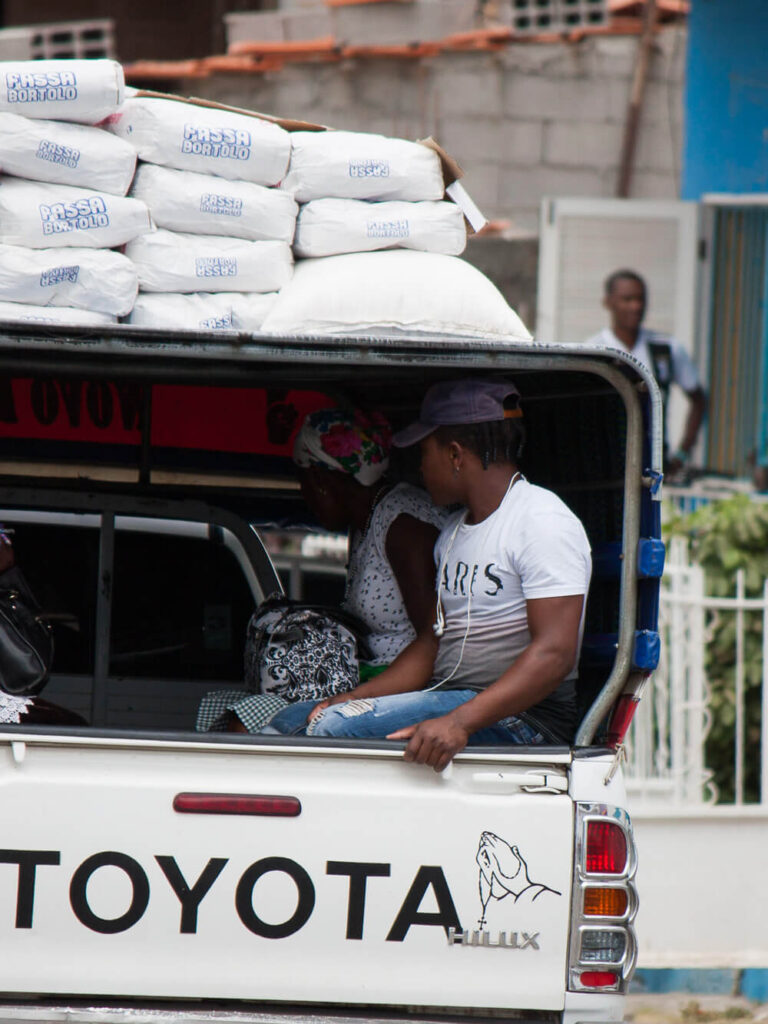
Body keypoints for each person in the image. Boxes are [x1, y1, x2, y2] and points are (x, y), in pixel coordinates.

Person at [264, 379, 592, 772]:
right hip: (456, 696)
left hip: (528, 718)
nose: (419, 467)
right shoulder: (453, 534)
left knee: (334, 730)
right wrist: (357, 695)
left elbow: (554, 654)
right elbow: (433, 643)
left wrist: (459, 722)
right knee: (295, 719)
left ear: (455, 455)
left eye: (424, 452)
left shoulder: (541, 521)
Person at [198, 405, 445, 733]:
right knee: (229, 711)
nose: (305, 495)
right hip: (369, 684)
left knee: (246, 726)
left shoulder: (404, 527)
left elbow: (435, 641)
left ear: (321, 477)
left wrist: (354, 696)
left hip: (397, 694)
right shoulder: (367, 520)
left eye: (304, 482)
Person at [587, 269, 706, 476]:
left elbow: (698, 399)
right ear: (608, 302)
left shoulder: (665, 349)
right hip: (606, 465)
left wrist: (682, 455)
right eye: (627, 299)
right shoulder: (593, 350)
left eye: (641, 299)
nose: (636, 306)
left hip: (655, 468)